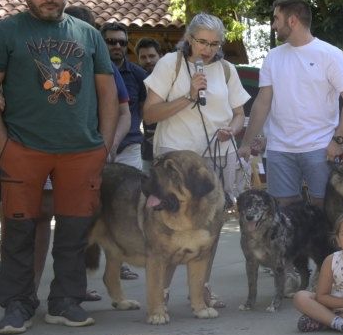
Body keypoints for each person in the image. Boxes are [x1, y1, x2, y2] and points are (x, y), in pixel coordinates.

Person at [0, 0, 118, 334]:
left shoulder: (89, 34)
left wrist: (104, 145)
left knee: (75, 232)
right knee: (19, 231)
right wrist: (0, 142)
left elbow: (107, 92)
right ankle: (17, 305)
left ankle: (65, 301)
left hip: (81, 150)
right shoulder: (5, 33)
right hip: (23, 148)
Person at [239, 0, 343, 207]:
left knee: (324, 209)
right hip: (279, 148)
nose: (273, 25)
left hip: (320, 147)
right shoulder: (273, 57)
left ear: (293, 20)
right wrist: (246, 143)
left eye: (276, 19)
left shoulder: (331, 54)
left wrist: (338, 140)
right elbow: (262, 102)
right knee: (283, 213)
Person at [143, 13, 250, 203]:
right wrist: (189, 97)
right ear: (189, 38)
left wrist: (232, 130)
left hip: (220, 155)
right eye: (202, 41)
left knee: (214, 219)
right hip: (178, 156)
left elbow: (239, 114)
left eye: (215, 44)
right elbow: (149, 114)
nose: (208, 49)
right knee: (176, 218)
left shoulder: (226, 69)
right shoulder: (170, 63)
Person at [100, 22, 148, 169]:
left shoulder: (139, 74)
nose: (118, 46)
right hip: (97, 147)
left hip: (130, 147)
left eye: (122, 42)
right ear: (101, 42)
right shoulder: (91, 71)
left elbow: (144, 109)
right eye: (111, 42)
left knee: (132, 192)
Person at [136, 37, 163, 166]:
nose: (148, 61)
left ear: (160, 56)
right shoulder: (137, 81)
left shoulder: (174, 80)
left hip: (173, 146)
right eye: (143, 57)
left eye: (152, 56)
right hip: (148, 149)